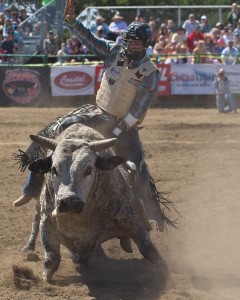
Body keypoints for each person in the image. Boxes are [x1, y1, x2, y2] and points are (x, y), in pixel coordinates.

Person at [13, 0, 172, 232]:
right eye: (130, 41)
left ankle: (148, 213)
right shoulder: (114, 51)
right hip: (98, 113)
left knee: (137, 168)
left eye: (138, 43)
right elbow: (89, 39)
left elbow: (139, 109)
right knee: (60, 128)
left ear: (146, 44)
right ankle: (32, 188)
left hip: (124, 125)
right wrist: (71, 21)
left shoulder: (149, 72)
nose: (133, 46)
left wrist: (120, 129)